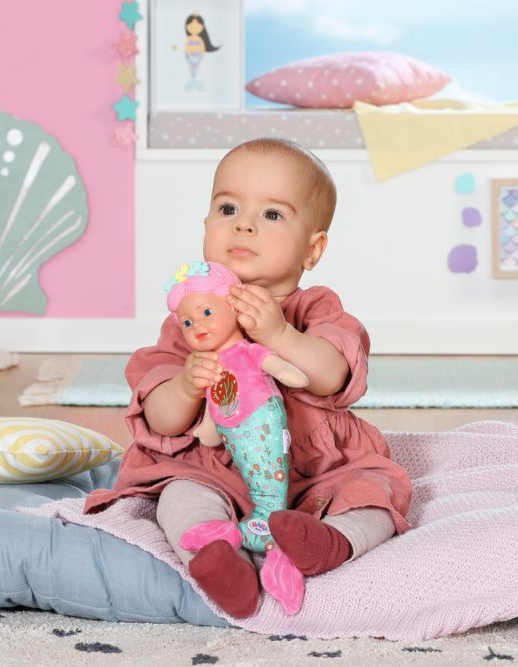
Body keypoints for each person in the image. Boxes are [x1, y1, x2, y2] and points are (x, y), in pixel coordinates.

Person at [84, 138, 412, 618]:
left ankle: (329, 543)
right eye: (228, 208)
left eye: (272, 214)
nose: (244, 224)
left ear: (312, 249)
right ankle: (219, 562)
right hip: (214, 469)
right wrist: (185, 386)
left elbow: (333, 373)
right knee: (179, 496)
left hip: (315, 470)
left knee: (374, 494)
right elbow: (162, 420)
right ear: (206, 225)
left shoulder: (314, 307)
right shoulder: (191, 321)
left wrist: (279, 334)